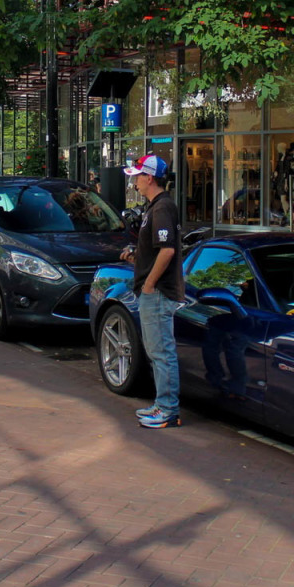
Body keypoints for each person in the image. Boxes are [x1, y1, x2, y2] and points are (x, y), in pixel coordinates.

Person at [121, 154, 185, 429]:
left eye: (137, 176)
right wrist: (137, 257)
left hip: (157, 293)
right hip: (155, 291)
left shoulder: (160, 209)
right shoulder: (158, 207)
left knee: (161, 351)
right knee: (158, 350)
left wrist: (149, 284)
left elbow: (167, 250)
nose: (134, 181)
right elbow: (159, 250)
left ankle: (168, 410)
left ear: (149, 178)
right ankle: (163, 405)